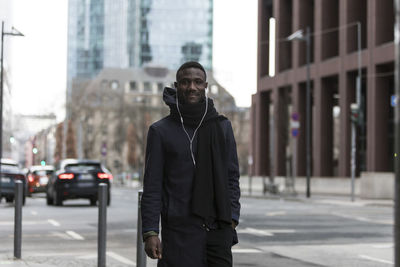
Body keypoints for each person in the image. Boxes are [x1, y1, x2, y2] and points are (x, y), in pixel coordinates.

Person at [141, 61, 241, 267]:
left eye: (197, 82)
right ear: (177, 87)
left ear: (205, 86)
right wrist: (150, 232)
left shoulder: (222, 127)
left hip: (218, 229)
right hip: (179, 232)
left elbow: (232, 177)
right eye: (185, 82)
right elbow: (152, 186)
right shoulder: (161, 131)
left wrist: (232, 218)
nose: (192, 87)